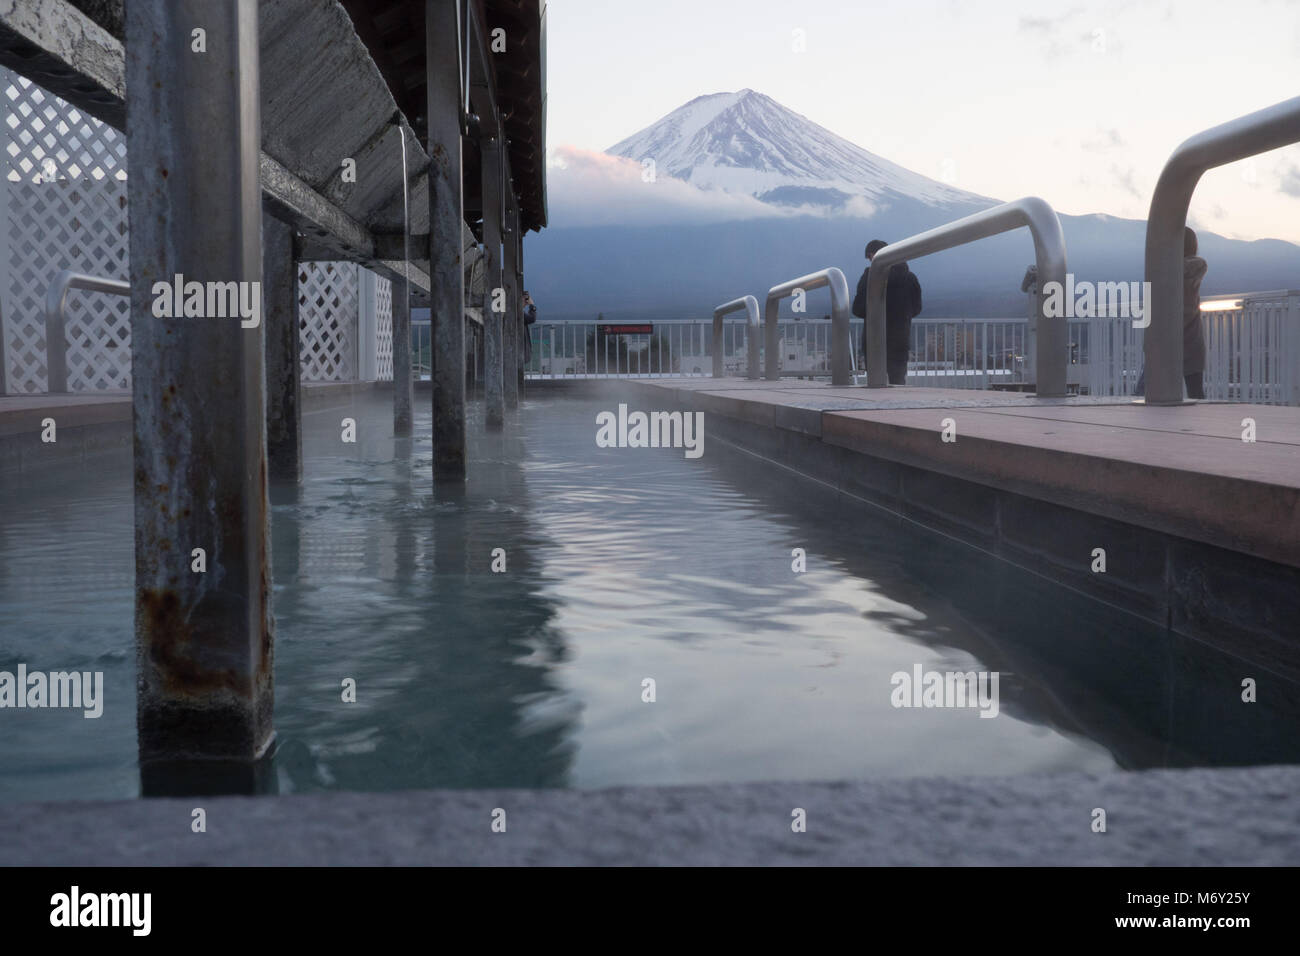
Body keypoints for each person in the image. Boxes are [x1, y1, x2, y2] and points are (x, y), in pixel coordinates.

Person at [1135, 226, 1207, 399]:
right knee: (1195, 391)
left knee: (1145, 388)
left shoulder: (1185, 268)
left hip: (1166, 341)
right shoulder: (1194, 269)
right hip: (1189, 341)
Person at [851, 239, 922, 384]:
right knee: (898, 380)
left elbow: (857, 309)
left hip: (874, 337)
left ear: (873, 255)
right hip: (900, 337)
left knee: (876, 382)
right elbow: (916, 307)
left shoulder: (869, 278)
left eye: (869, 257)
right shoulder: (910, 278)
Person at [1182, 227, 1208, 399]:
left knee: (1149, 388)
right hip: (1192, 338)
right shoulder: (1198, 267)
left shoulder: (1165, 269)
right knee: (1195, 391)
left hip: (1165, 339)